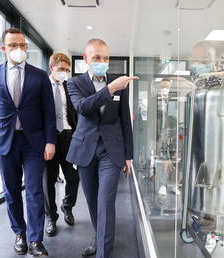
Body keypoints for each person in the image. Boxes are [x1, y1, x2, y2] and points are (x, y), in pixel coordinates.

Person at [0, 28, 56, 257]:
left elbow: (49, 111)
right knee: (11, 191)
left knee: (34, 190)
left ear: (26, 47)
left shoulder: (40, 75)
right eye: (13, 45)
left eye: (22, 45)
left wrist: (50, 142)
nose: (18, 49)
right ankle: (20, 233)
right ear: (4, 48)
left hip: (34, 142)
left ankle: (35, 240)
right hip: (5, 141)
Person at [66, 39, 136, 258]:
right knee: (93, 201)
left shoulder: (119, 83)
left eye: (106, 58)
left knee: (106, 202)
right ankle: (99, 237)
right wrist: (110, 89)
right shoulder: (74, 83)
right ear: (86, 59)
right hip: (85, 149)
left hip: (111, 151)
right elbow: (82, 108)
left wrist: (129, 155)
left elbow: (125, 120)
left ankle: (103, 253)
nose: (102, 62)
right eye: (96, 57)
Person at [44, 53, 79, 236]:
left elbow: (76, 113)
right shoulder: (42, 86)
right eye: (60, 69)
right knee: (48, 180)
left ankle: (68, 206)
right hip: (48, 140)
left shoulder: (69, 86)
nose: (64, 73)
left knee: (73, 177)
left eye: (67, 70)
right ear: (51, 68)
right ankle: (51, 217)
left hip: (67, 136)